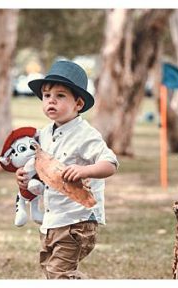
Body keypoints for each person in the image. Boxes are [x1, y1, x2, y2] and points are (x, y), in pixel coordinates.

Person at [18, 60, 118, 279]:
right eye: (46, 95)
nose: (51, 100)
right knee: (49, 268)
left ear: (78, 104)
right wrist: (26, 177)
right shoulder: (44, 134)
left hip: (78, 220)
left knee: (59, 273)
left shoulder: (86, 135)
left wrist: (85, 171)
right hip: (53, 218)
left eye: (60, 95)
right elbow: (42, 168)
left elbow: (110, 164)